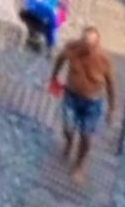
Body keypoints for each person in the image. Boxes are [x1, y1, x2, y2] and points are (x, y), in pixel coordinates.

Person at [50, 27, 116, 184]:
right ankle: (69, 143)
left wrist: (111, 109)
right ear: (81, 40)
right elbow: (60, 59)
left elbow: (111, 84)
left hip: (92, 102)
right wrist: (54, 78)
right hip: (71, 97)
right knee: (68, 127)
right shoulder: (72, 48)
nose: (87, 48)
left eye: (91, 46)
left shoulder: (103, 59)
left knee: (86, 136)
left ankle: (79, 165)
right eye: (84, 43)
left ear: (97, 44)